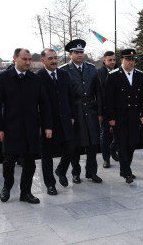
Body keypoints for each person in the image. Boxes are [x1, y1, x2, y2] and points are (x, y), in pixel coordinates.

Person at [0, 48, 52, 204]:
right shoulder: (3, 77)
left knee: (30, 163)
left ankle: (26, 192)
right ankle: (7, 187)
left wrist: (47, 126)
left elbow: (44, 104)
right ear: (14, 59)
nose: (28, 62)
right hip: (10, 128)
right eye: (24, 59)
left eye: (29, 59)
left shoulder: (35, 79)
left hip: (31, 128)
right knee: (9, 161)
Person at [61, 39, 103, 184]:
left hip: (91, 112)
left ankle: (92, 172)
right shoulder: (64, 70)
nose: (80, 55)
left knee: (93, 144)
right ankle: (75, 172)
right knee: (76, 146)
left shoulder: (92, 69)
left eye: (81, 52)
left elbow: (99, 92)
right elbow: (63, 96)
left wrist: (100, 112)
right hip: (75, 113)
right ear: (70, 54)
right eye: (76, 53)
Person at [105, 49, 143, 184]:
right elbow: (109, 99)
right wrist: (110, 117)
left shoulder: (140, 75)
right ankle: (127, 172)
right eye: (128, 60)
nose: (131, 62)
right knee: (121, 144)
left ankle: (125, 168)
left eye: (133, 60)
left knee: (132, 144)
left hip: (135, 116)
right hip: (119, 117)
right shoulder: (113, 76)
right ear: (122, 60)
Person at [37, 48, 75, 195]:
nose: (54, 61)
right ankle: (50, 184)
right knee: (46, 155)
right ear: (42, 61)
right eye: (50, 58)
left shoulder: (64, 75)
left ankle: (61, 170)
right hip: (48, 123)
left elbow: (70, 97)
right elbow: (36, 103)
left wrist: (71, 116)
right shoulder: (37, 77)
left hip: (65, 120)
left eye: (55, 58)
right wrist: (42, 124)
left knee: (71, 148)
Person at [97, 51, 118, 168]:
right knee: (104, 135)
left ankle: (112, 148)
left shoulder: (119, 71)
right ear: (104, 60)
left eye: (114, 60)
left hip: (118, 110)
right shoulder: (99, 73)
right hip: (105, 110)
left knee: (120, 133)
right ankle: (106, 159)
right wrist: (100, 112)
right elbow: (99, 94)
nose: (113, 62)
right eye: (110, 60)